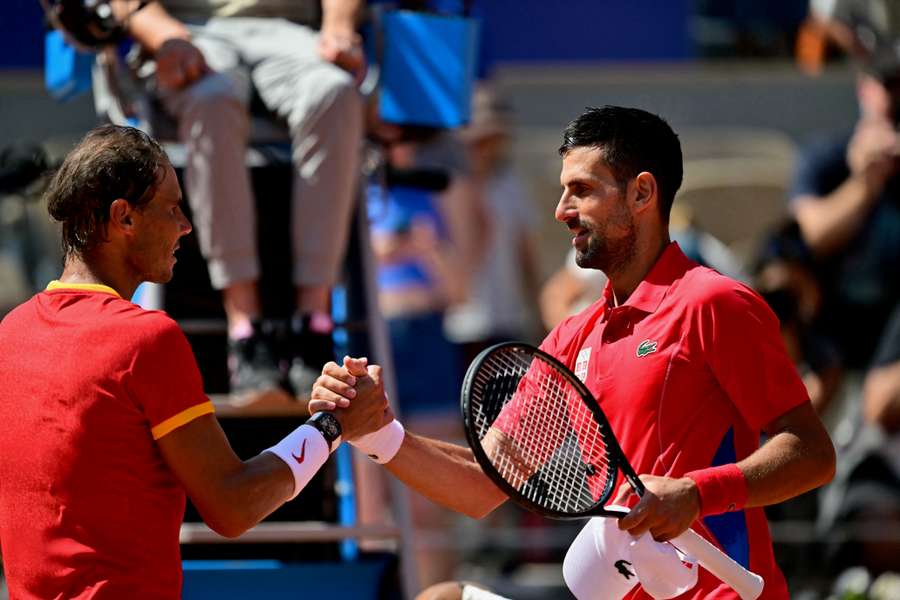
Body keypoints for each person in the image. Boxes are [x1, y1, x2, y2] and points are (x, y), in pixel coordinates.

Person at [311, 106, 837, 599]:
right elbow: (482, 484)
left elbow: (811, 453)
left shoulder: (714, 303)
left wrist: (695, 494)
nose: (562, 211)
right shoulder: (570, 337)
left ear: (642, 193)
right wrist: (376, 431)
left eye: (581, 190)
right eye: (564, 191)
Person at [0, 125, 389, 599]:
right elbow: (233, 505)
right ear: (124, 218)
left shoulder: (10, 333)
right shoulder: (146, 339)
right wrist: (334, 426)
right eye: (171, 208)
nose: (185, 225)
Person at [125, 0, 366, 400]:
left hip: (289, 32)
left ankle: (314, 326)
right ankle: (246, 333)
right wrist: (165, 37)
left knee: (335, 92)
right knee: (212, 98)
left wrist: (339, 25)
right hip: (190, 30)